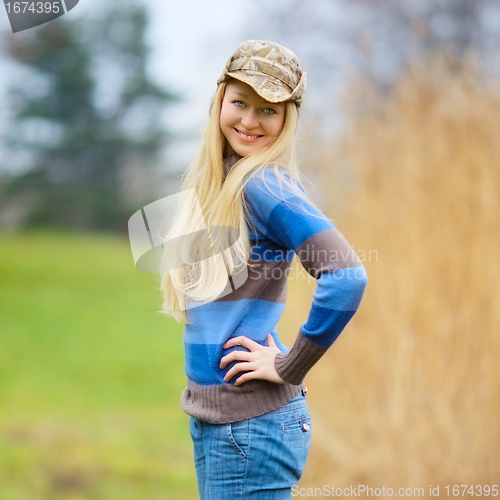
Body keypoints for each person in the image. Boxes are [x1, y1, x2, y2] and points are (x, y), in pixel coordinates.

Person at [159, 40, 368, 500]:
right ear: (220, 100)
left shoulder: (263, 183)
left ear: (287, 119)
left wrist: (291, 365)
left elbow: (347, 274)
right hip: (224, 425)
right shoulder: (226, 180)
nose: (250, 121)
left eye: (268, 110)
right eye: (240, 103)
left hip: (248, 430)